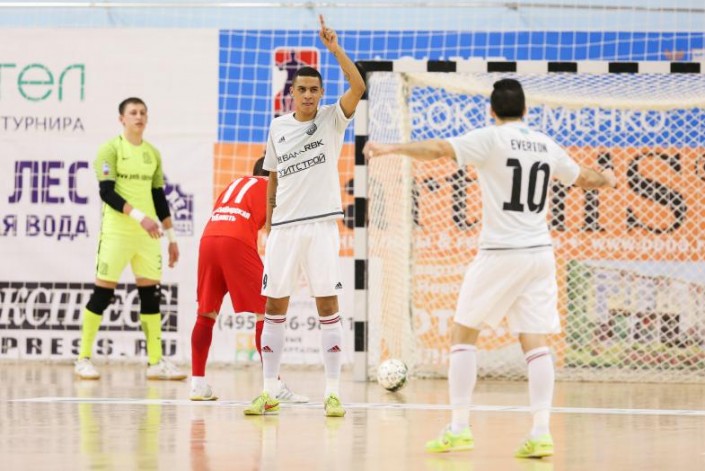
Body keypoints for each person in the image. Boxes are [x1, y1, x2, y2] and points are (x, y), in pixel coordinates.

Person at [364, 78, 618, 457]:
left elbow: (438, 149)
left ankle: (459, 428)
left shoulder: (491, 139)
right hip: (539, 255)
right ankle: (541, 433)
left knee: (463, 335)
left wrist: (390, 148)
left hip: (501, 253)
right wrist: (608, 179)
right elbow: (584, 177)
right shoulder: (545, 144)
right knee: (535, 343)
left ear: (492, 111)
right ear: (526, 110)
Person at [243, 14, 365, 417]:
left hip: (321, 227)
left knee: (327, 306)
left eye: (314, 89)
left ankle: (332, 392)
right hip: (283, 229)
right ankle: (269, 391)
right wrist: (268, 221)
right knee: (274, 308)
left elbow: (358, 86)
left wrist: (334, 49)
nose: (308, 95)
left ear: (321, 92)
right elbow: (273, 177)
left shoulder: (333, 119)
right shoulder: (277, 127)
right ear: (292, 93)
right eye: (302, 89)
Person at [74, 97, 186, 381]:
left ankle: (155, 362)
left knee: (151, 296)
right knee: (103, 294)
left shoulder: (152, 153)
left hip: (147, 237)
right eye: (133, 112)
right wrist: (140, 217)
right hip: (117, 233)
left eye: (143, 112)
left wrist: (172, 238)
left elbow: (159, 197)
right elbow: (107, 193)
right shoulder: (110, 149)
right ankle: (83, 358)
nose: (139, 117)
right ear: (121, 119)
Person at [189, 157, 308, 403]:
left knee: (206, 314)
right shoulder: (273, 188)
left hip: (208, 240)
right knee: (268, 311)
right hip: (235, 242)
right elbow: (278, 233)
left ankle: (197, 384)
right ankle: (274, 385)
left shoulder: (234, 184)